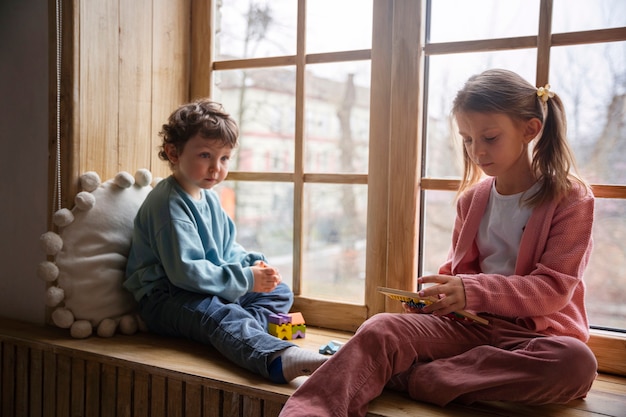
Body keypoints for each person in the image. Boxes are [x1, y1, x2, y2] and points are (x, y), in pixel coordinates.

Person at [279, 69, 598, 416]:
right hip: (469, 329)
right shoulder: (472, 201)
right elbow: (459, 274)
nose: (477, 151)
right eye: (467, 139)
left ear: (530, 129)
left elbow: (553, 289)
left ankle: (415, 378)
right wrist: (437, 299)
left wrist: (471, 290)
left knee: (575, 363)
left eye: (489, 138)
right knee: (381, 327)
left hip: (535, 338)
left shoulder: (570, 198)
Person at [124, 98, 328, 383]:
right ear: (173, 153)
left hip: (204, 287)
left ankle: (234, 331)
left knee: (279, 292)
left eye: (224, 158)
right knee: (217, 314)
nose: (215, 168)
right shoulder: (169, 205)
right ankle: (278, 359)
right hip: (166, 296)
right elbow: (185, 272)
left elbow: (227, 247)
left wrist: (251, 265)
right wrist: (245, 278)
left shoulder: (208, 196)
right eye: (205, 155)